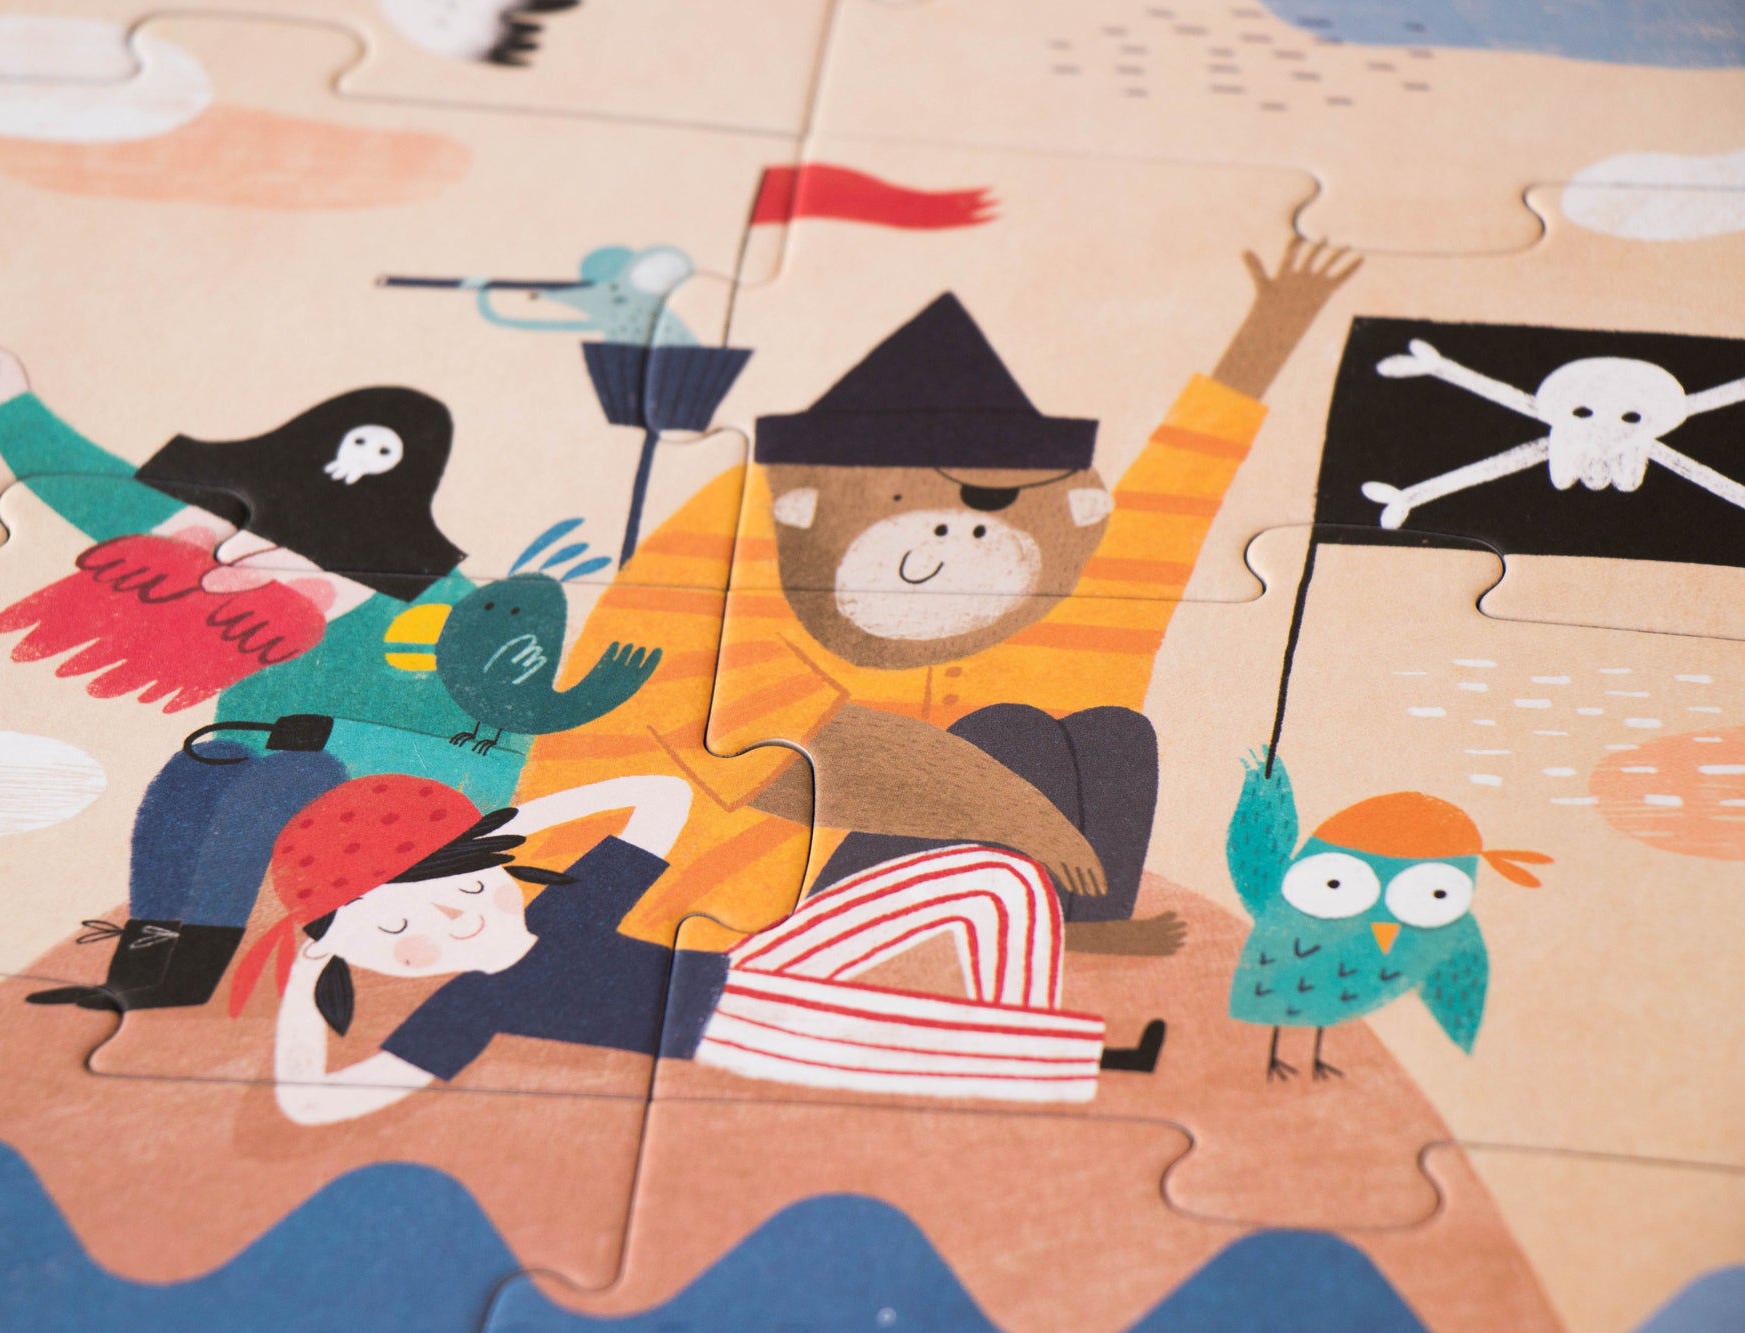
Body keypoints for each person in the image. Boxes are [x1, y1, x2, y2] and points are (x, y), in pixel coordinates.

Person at [512, 240, 1362, 955]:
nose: (962, 537)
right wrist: (1027, 819)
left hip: (900, 879)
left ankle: (1078, 928)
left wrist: (1266, 340)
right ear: (806, 502)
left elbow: (1163, 520)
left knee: (1107, 730)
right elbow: (777, 748)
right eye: (926, 500)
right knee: (1004, 737)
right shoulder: (732, 536)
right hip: (661, 896)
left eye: (997, 507)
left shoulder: (1051, 587)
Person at [0, 338, 523, 1010]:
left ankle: (188, 974)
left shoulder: (430, 596)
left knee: (265, 788)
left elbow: (498, 727)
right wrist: (8, 404)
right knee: (191, 782)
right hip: (269, 745)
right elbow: (104, 497)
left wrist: (342, 736)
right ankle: (145, 970)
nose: (233, 560)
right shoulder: (228, 536)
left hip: (415, 779)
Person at [249, 773, 1166, 1125]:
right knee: (894, 1032)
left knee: (991, 877)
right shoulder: (470, 1007)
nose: (448, 923)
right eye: (394, 931)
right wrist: (310, 972)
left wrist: (518, 819)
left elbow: (661, 798)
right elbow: (315, 1103)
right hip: (730, 1029)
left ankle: (1028, 1040)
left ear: (495, 862)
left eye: (459, 886)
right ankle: (1100, 1063)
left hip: (752, 964)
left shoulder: (569, 908)